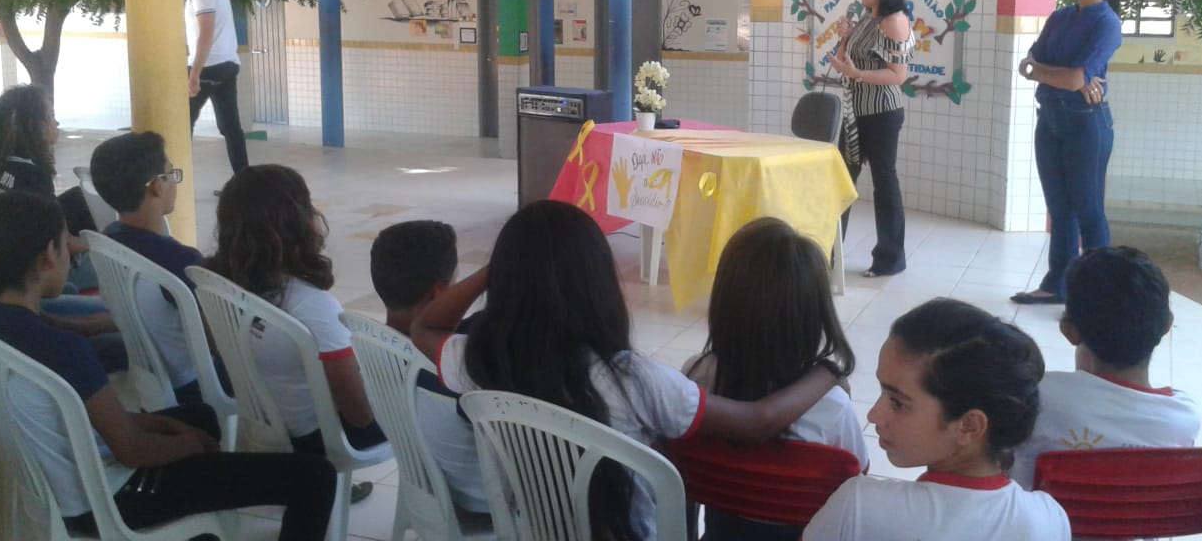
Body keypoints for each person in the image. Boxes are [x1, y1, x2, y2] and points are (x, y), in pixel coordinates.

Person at [411, 200, 847, 541]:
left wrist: (507, 266)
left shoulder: (481, 363)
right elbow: (758, 422)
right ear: (597, 281)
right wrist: (831, 369)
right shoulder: (633, 379)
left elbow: (424, 325)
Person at [0, 190, 336, 541]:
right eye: (66, 242)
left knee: (200, 415)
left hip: (51, 490)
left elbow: (86, 419)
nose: (73, 250)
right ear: (50, 255)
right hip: (112, 500)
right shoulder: (64, 350)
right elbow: (132, 451)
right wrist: (189, 444)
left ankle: (202, 524)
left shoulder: (14, 335)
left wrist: (166, 425)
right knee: (315, 477)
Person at [803, 298, 1070, 541]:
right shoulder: (1049, 519)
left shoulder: (858, 507)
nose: (874, 415)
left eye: (898, 403)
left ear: (969, 426)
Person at [684, 217, 869, 540]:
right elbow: (857, 485)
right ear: (814, 316)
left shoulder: (694, 378)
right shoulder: (833, 408)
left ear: (724, 303)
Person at [204, 165, 385, 458]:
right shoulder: (313, 308)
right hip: (317, 437)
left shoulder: (214, 280)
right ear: (297, 223)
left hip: (265, 420)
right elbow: (359, 416)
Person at [1010, 246, 1199, 485]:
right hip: (1140, 522)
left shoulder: (1035, 397)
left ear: (1068, 331)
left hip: (1048, 522)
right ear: (1166, 326)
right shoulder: (1184, 418)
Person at [1012, 0, 1123, 305]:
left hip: (1086, 124)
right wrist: (1062, 76)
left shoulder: (1107, 23)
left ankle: (1095, 295)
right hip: (1051, 121)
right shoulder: (1059, 18)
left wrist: (1056, 75)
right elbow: (1029, 63)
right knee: (1059, 209)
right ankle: (1057, 283)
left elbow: (1075, 78)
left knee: (1088, 209)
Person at [0, 85, 123, 370]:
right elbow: (69, 245)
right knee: (116, 314)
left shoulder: (0, 167)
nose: (57, 124)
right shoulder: (34, 178)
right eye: (51, 117)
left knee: (76, 200)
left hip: (8, 271)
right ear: (36, 128)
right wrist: (109, 241)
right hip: (37, 271)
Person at [369, 219, 488, 514]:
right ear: (440, 292)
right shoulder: (453, 367)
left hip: (425, 490)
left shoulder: (369, 344)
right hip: (479, 501)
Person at [90, 131, 214, 403]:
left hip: (149, 374)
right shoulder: (180, 262)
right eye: (172, 175)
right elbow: (217, 335)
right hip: (193, 384)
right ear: (157, 185)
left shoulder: (107, 240)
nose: (175, 183)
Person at [829, 0, 915, 277]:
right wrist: (844, 38)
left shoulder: (894, 21)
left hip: (882, 114)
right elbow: (847, 61)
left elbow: (898, 75)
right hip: (855, 112)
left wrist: (858, 74)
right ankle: (828, 254)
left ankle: (890, 259)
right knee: (840, 180)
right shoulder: (866, 18)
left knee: (884, 183)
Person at [182, 0, 248, 175]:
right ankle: (244, 181)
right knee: (231, 127)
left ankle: (178, 182)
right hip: (227, 64)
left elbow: (206, 33)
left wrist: (194, 73)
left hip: (210, 66)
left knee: (181, 122)